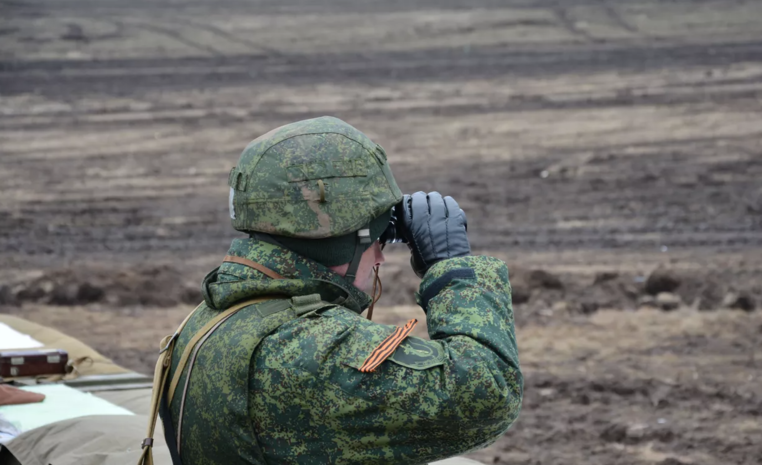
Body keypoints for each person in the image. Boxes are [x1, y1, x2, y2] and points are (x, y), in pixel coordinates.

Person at [140, 116, 522, 465]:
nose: (379, 258)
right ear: (338, 243)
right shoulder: (308, 351)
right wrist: (450, 269)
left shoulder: (214, 317)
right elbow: (488, 391)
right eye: (375, 240)